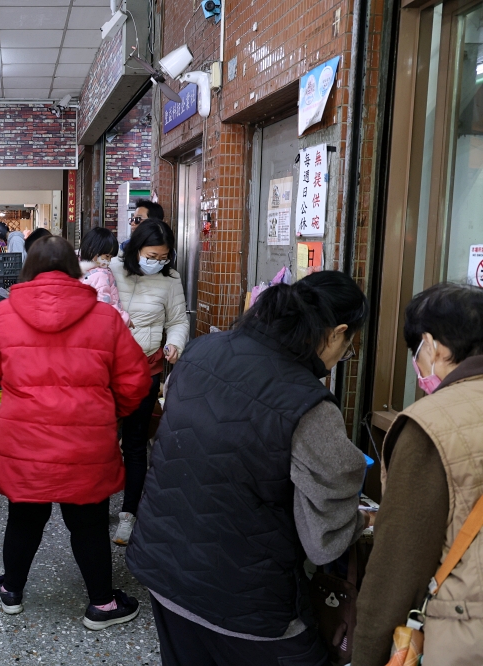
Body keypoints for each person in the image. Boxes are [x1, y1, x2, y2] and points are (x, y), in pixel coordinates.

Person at [126, 271, 372, 666]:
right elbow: (323, 541)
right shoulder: (307, 404)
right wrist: (363, 520)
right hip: (246, 601)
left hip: (164, 569)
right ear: (337, 333)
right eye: (348, 347)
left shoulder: (200, 351)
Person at [0, 235, 151, 631]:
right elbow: (136, 380)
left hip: (25, 441)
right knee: (88, 522)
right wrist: (109, 413)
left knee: (23, 517)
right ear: (74, 268)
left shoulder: (2, 314)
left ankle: (11, 591)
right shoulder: (105, 317)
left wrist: (19, 385)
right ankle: (102, 604)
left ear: (28, 269)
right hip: (85, 443)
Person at [353, 283, 483, 666]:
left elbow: (397, 568)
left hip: (463, 636)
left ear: (432, 345)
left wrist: (368, 653)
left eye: (417, 352)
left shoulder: (431, 425)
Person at [110, 219, 189, 545]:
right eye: (152, 256)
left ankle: (128, 514)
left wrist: (175, 343)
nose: (157, 262)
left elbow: (178, 320)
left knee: (135, 442)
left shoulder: (170, 279)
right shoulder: (111, 269)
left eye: (163, 257)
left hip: (145, 368)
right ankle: (93, 504)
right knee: (101, 440)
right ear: (136, 249)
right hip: (107, 370)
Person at [78, 227, 129, 326]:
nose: (109, 261)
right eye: (107, 256)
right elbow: (104, 304)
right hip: (108, 324)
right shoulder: (101, 275)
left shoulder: (76, 269)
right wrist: (124, 318)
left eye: (111, 257)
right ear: (92, 250)